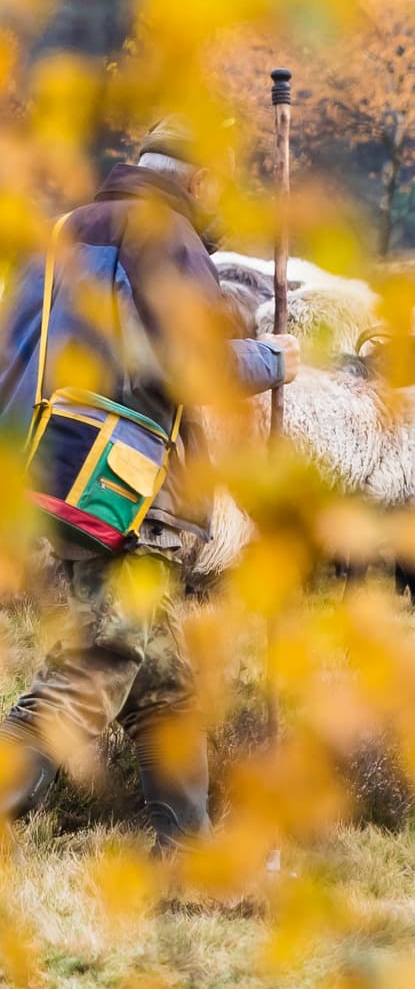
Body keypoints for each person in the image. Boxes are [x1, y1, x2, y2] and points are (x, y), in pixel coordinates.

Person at [0, 150, 293, 838]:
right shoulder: (165, 234)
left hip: (48, 467)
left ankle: (187, 849)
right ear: (198, 177)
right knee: (100, 661)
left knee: (164, 684)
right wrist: (274, 358)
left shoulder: (65, 228)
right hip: (124, 486)